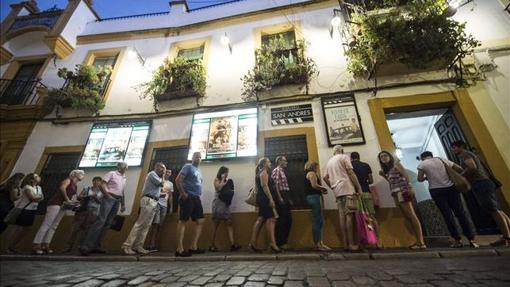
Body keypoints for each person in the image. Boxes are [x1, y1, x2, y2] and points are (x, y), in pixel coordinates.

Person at [452, 140, 510, 247]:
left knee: (494, 210)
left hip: (481, 183)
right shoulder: (468, 154)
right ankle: (507, 236)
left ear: (461, 147)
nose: (453, 150)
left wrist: (460, 175)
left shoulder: (465, 154)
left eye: (454, 147)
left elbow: (472, 167)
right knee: (496, 210)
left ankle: (506, 238)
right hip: (483, 183)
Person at [417, 151, 479, 248]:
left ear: (422, 158)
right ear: (431, 155)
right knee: (461, 213)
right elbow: (460, 169)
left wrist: (427, 178)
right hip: (451, 189)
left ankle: (457, 240)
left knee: (447, 215)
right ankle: (471, 239)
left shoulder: (422, 164)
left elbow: (419, 179)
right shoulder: (442, 159)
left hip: (436, 191)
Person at [378, 151, 426, 249]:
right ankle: (417, 241)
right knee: (407, 216)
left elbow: (406, 176)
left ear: (390, 156)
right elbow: (392, 182)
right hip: (395, 193)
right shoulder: (389, 170)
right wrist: (384, 176)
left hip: (402, 191)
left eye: (385, 155)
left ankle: (421, 243)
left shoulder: (396, 164)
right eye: (381, 157)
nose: (383, 158)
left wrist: (410, 187)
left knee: (411, 215)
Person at [80, 162, 128, 256]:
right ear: (119, 167)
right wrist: (107, 195)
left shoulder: (124, 178)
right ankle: (86, 246)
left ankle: (96, 246)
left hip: (117, 201)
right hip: (109, 198)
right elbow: (102, 185)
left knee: (108, 224)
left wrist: (123, 204)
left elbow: (122, 191)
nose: (125, 167)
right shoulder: (112, 173)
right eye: (123, 165)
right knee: (100, 221)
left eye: (126, 166)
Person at [33, 170, 84, 254]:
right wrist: (67, 199)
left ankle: (46, 244)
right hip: (56, 203)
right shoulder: (68, 180)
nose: (83, 175)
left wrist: (73, 202)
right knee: (47, 224)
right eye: (81, 173)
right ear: (75, 174)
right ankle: (36, 244)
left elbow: (72, 197)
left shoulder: (75, 185)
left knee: (54, 225)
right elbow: (62, 188)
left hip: (64, 205)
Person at [323, 145, 362, 252]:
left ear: (334, 151)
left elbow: (325, 177)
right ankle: (351, 244)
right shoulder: (344, 157)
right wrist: (358, 187)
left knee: (342, 217)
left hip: (337, 190)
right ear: (342, 150)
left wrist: (332, 186)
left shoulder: (329, 161)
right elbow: (351, 172)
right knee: (349, 215)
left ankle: (345, 244)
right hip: (347, 188)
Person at [122, 162, 166, 255]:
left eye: (164, 168)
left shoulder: (157, 177)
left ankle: (138, 246)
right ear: (157, 167)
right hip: (148, 200)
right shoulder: (152, 174)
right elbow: (161, 184)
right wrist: (164, 174)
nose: (163, 170)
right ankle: (127, 246)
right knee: (140, 224)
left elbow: (156, 189)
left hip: (154, 201)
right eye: (162, 168)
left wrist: (160, 195)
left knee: (146, 226)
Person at [175, 152, 205, 257]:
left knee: (200, 220)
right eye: (196, 156)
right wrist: (183, 194)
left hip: (196, 198)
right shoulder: (188, 167)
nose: (198, 158)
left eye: (200, 157)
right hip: (188, 197)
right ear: (192, 158)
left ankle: (193, 247)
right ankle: (179, 249)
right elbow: (178, 180)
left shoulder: (199, 171)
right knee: (183, 220)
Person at [248, 157, 281, 253]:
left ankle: (253, 244)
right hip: (265, 199)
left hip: (261, 199)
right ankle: (272, 244)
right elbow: (264, 186)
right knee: (271, 219)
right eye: (268, 162)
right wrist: (271, 199)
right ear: (264, 164)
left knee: (261, 219)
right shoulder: (263, 173)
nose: (270, 163)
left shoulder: (260, 173)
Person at [6, 173, 44, 253]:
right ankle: (7, 247)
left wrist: (37, 198)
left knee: (26, 229)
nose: (38, 177)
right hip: (24, 209)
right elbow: (32, 198)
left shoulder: (38, 188)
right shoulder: (27, 187)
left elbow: (42, 198)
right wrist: (37, 198)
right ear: (31, 179)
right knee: (17, 229)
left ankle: (12, 246)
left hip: (32, 210)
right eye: (36, 176)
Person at [65, 176, 104, 253]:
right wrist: (88, 196)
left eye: (98, 181)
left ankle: (81, 247)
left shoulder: (102, 192)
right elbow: (79, 197)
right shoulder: (87, 189)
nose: (96, 182)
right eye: (95, 180)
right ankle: (68, 247)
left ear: (101, 183)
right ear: (92, 181)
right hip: (83, 211)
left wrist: (96, 198)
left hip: (93, 212)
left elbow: (101, 202)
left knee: (87, 231)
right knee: (75, 229)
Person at [351, 151, 380, 245]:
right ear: (359, 157)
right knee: (371, 216)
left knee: (358, 218)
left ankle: (362, 242)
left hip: (355, 194)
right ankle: (378, 242)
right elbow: (371, 180)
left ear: (351, 158)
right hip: (366, 192)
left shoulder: (350, 166)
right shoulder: (366, 165)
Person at [209, 166, 241, 252]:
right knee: (216, 224)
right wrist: (222, 179)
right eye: (226, 172)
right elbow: (218, 188)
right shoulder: (217, 179)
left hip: (225, 204)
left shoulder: (227, 181)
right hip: (218, 203)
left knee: (229, 223)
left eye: (227, 173)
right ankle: (211, 245)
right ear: (222, 172)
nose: (227, 174)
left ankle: (233, 244)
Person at [304, 161, 330, 251]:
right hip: (314, 198)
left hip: (313, 197)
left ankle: (320, 242)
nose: (317, 168)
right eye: (316, 166)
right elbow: (314, 185)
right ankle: (318, 244)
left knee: (320, 220)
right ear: (313, 166)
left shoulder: (309, 173)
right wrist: (324, 188)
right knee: (317, 220)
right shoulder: (311, 173)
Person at [147, 169, 173, 252]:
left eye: (170, 173)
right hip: (156, 203)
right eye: (167, 172)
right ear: (164, 173)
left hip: (164, 206)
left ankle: (155, 244)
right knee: (155, 224)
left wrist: (171, 207)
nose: (168, 174)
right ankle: (151, 244)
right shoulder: (159, 180)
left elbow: (170, 196)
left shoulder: (171, 184)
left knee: (160, 225)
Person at [271, 156, 292, 249]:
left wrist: (288, 198)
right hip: (281, 195)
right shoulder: (277, 170)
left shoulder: (282, 171)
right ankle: (280, 242)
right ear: (279, 161)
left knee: (288, 219)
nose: (286, 162)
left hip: (285, 195)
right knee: (282, 220)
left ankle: (283, 242)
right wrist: (279, 197)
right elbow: (275, 185)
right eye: (285, 160)